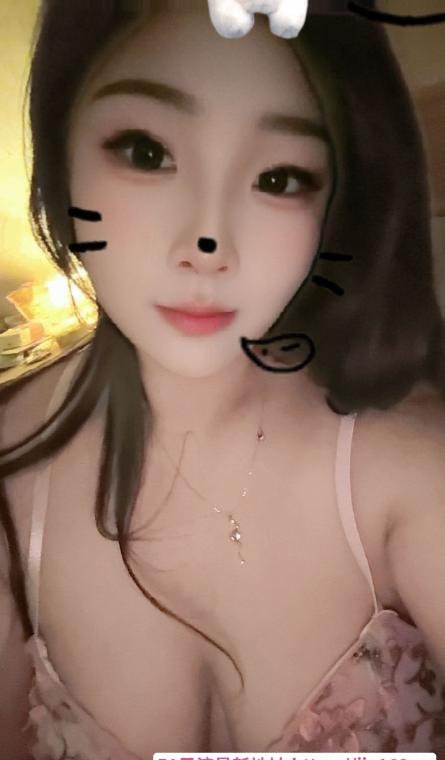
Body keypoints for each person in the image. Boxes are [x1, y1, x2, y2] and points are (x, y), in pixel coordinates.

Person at [1, 0, 444, 757]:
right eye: (146, 152)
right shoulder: (11, 483)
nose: (207, 242)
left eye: (278, 177)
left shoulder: (406, 467)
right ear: (61, 144)